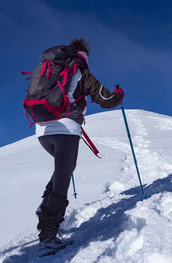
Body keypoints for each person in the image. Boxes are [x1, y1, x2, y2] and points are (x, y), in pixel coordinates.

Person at [35, 39, 124, 249]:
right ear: (83, 55)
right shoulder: (80, 71)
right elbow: (106, 99)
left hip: (42, 130)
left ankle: (46, 209)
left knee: (64, 170)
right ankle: (48, 236)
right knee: (63, 178)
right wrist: (119, 95)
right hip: (65, 129)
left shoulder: (50, 70)